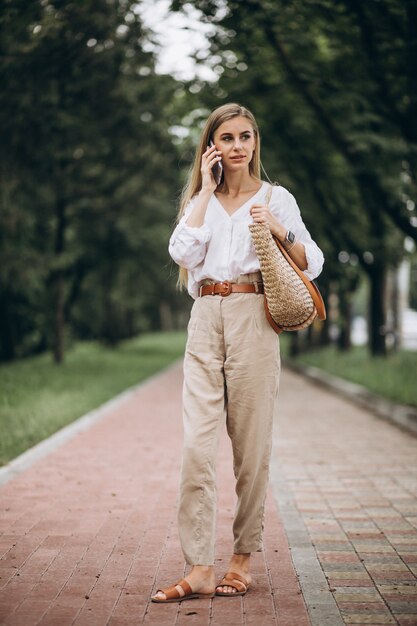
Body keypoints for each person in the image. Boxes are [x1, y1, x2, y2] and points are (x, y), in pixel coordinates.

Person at [151, 103, 324, 603]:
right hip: (205, 319)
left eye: (245, 137)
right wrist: (205, 192)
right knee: (195, 448)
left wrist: (277, 227)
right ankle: (200, 566)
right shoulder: (198, 202)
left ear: (255, 143)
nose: (237, 147)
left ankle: (243, 557)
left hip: (253, 317)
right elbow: (182, 254)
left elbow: (312, 262)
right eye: (226, 138)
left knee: (251, 450)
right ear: (212, 147)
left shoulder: (275, 197)